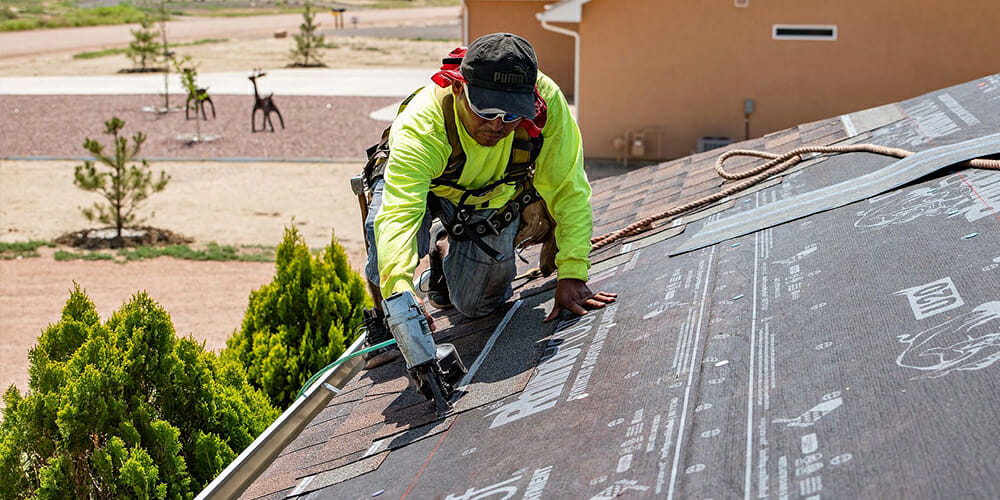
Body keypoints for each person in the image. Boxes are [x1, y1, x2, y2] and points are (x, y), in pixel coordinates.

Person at [362, 32, 616, 368]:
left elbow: (568, 186)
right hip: (419, 183)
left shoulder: (547, 103)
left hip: (488, 194)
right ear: (458, 88)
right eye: (486, 110)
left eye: (512, 116)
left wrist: (572, 272)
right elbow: (400, 214)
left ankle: (445, 250)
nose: (497, 125)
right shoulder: (424, 126)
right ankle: (383, 318)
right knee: (383, 241)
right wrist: (400, 293)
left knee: (479, 305)